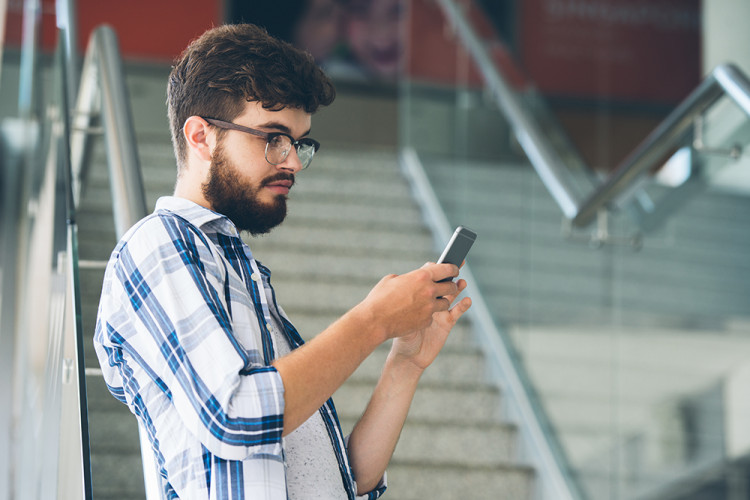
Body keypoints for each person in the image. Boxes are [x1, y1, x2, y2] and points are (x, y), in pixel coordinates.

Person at [93, 23, 471, 500]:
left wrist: (405, 364)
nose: (291, 161)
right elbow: (235, 416)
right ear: (201, 136)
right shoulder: (158, 247)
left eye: (299, 142)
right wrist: (374, 320)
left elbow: (340, 481)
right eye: (273, 137)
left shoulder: (244, 272)